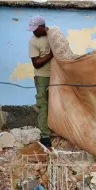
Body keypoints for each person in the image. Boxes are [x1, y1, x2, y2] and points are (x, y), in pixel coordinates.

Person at [27, 16, 53, 148]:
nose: (33, 31)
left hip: (56, 76)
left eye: (35, 29)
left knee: (56, 103)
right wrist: (50, 55)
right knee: (43, 105)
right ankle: (45, 136)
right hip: (42, 77)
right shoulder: (33, 41)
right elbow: (36, 63)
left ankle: (57, 129)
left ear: (42, 27)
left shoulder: (53, 35)